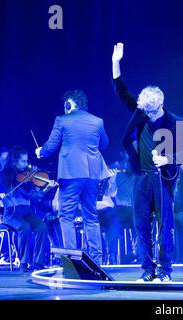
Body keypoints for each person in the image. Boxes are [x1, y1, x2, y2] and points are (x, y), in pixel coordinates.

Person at [112, 42, 183, 282]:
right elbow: (122, 92)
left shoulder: (176, 122)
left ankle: (165, 271)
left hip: (163, 180)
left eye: (153, 112)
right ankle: (147, 270)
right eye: (146, 111)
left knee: (165, 227)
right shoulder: (142, 111)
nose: (149, 115)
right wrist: (116, 62)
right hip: (141, 177)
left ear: (161, 105)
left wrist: (167, 158)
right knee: (141, 226)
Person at [35, 90, 110, 265]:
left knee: (66, 216)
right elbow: (104, 144)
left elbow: (51, 145)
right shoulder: (97, 121)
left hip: (71, 174)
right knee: (91, 216)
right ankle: (96, 261)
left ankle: (72, 261)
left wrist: (41, 152)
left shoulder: (62, 120)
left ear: (69, 103)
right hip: (92, 175)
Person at [0, 145, 52, 271]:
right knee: (24, 227)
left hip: (27, 212)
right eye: (23, 161)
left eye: (27, 161)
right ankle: (23, 263)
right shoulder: (4, 175)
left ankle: (38, 263)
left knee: (41, 227)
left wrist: (45, 189)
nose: (27, 164)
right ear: (14, 161)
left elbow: (37, 197)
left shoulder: (28, 176)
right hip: (11, 214)